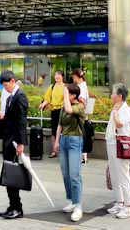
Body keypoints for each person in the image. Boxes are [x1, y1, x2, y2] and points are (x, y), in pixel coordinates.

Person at [0, 70, 29, 220]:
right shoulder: (11, 97)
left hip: (15, 141)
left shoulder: (20, 96)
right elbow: (12, 118)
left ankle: (18, 208)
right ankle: (12, 206)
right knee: (8, 174)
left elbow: (22, 121)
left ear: (13, 81)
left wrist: (21, 143)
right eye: (3, 86)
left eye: (6, 85)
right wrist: (3, 117)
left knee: (12, 174)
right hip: (9, 139)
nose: (5, 88)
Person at [53, 83, 87, 221]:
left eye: (66, 92)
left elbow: (68, 108)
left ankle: (78, 205)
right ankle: (72, 201)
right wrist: (56, 141)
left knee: (74, 174)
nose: (63, 94)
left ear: (73, 95)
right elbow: (60, 124)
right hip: (64, 140)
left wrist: (66, 95)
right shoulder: (63, 107)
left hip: (75, 140)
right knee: (66, 174)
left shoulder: (79, 106)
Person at [105, 83, 130, 219]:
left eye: (113, 93)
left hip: (121, 144)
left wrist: (115, 112)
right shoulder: (116, 108)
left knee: (123, 175)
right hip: (112, 143)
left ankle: (128, 206)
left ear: (119, 96)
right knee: (115, 174)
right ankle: (119, 202)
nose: (111, 95)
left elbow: (119, 124)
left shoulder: (126, 110)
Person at [39, 70, 66, 158]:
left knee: (64, 131)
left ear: (62, 77)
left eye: (59, 75)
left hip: (63, 110)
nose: (57, 77)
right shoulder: (52, 86)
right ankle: (54, 151)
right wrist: (43, 104)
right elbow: (47, 98)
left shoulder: (65, 87)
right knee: (54, 131)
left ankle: (63, 151)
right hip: (54, 111)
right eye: (55, 75)